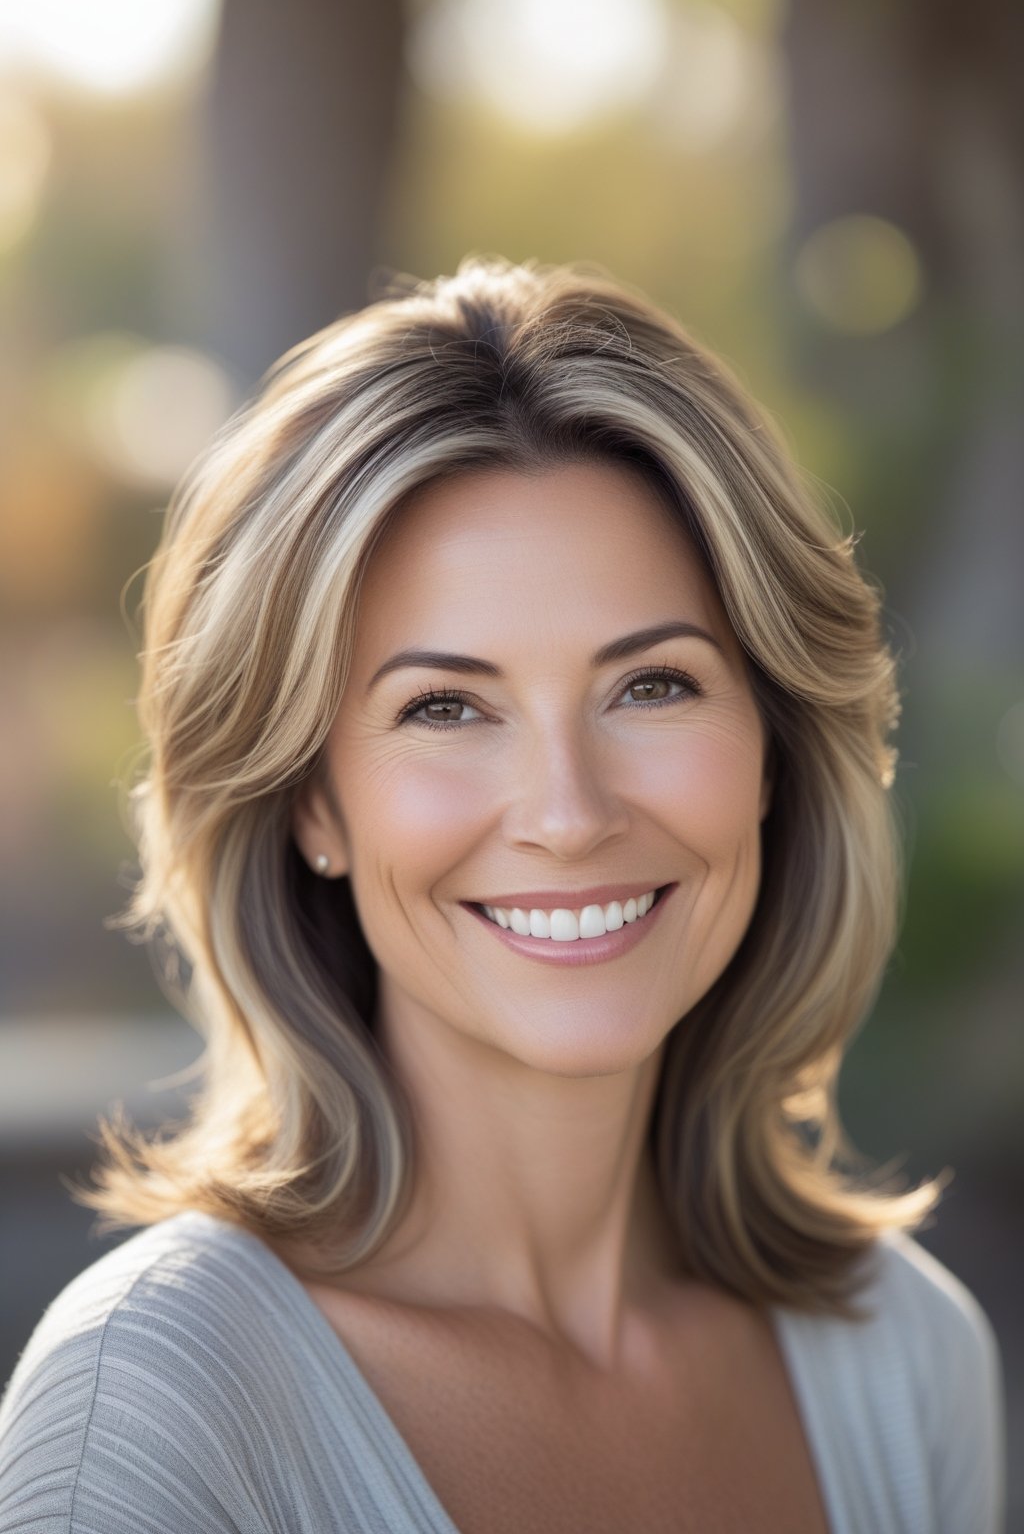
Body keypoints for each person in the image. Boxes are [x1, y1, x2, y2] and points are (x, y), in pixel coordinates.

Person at [0, 256, 1005, 1533]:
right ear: (311, 803)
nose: (570, 814)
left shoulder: (908, 1359)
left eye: (652, 686)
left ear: (773, 748)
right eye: (444, 708)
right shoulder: (152, 1404)